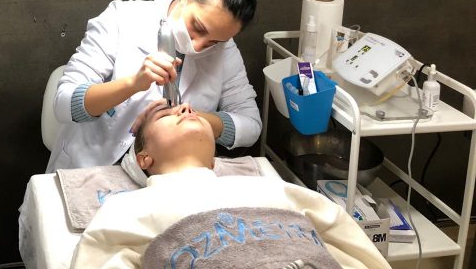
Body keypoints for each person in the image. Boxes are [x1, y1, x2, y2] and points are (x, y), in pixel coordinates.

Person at [71, 103, 392, 269]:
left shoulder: (269, 188)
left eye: (189, 110)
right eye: (166, 115)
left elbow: (352, 250)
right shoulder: (127, 208)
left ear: (214, 160)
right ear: (144, 158)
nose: (185, 109)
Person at [46, 0, 261, 172]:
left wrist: (190, 117)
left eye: (214, 42)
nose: (198, 46)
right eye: (198, 27)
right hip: (93, 166)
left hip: (168, 174)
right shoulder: (122, 17)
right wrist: (133, 84)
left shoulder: (226, 49)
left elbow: (251, 125)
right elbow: (64, 103)